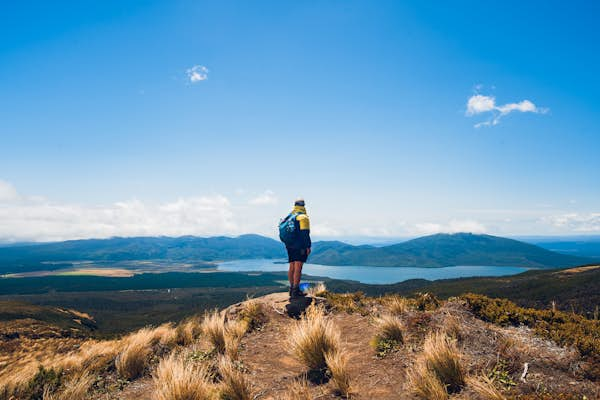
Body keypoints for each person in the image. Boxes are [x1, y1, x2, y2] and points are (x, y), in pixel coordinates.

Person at [284, 198, 311, 298]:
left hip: (289, 245)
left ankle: (291, 289)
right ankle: (296, 291)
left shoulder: (290, 216)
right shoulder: (303, 217)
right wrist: (308, 246)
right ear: (303, 206)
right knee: (298, 268)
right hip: (299, 246)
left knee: (292, 266)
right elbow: (305, 234)